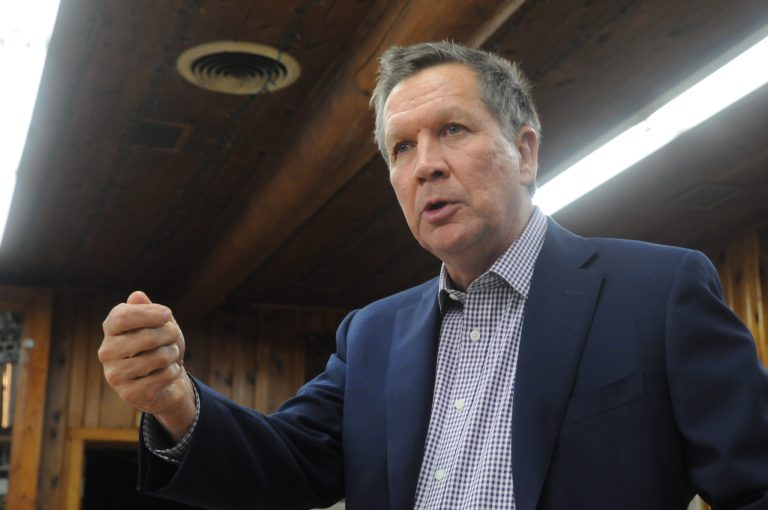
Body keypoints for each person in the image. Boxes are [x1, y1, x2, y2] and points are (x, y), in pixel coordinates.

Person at [99, 41, 768, 509]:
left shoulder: (657, 292)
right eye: (402, 147)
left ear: (525, 150)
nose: (425, 165)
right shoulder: (373, 335)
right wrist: (175, 401)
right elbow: (288, 464)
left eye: (452, 130)